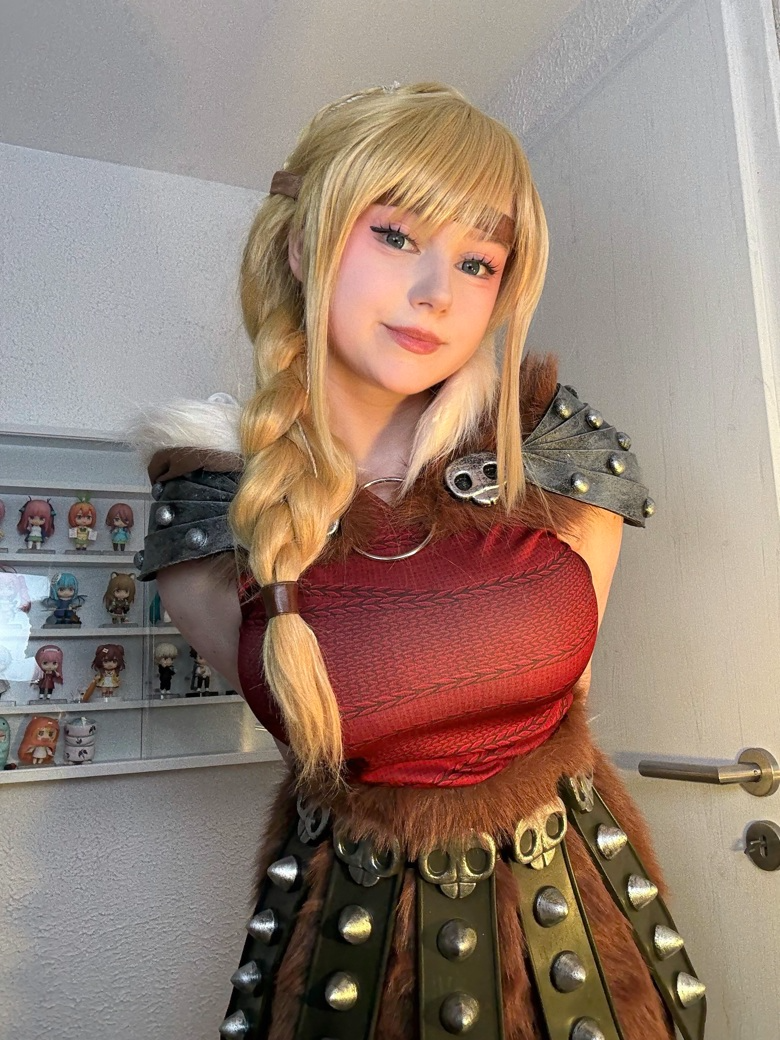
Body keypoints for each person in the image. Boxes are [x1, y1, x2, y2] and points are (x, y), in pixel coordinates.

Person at [132, 84, 704, 1040]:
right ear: (301, 245)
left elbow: (571, 691)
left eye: (478, 261)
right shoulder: (210, 508)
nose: (438, 291)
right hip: (352, 952)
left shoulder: (552, 451)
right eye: (396, 235)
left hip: (585, 945)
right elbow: (308, 734)